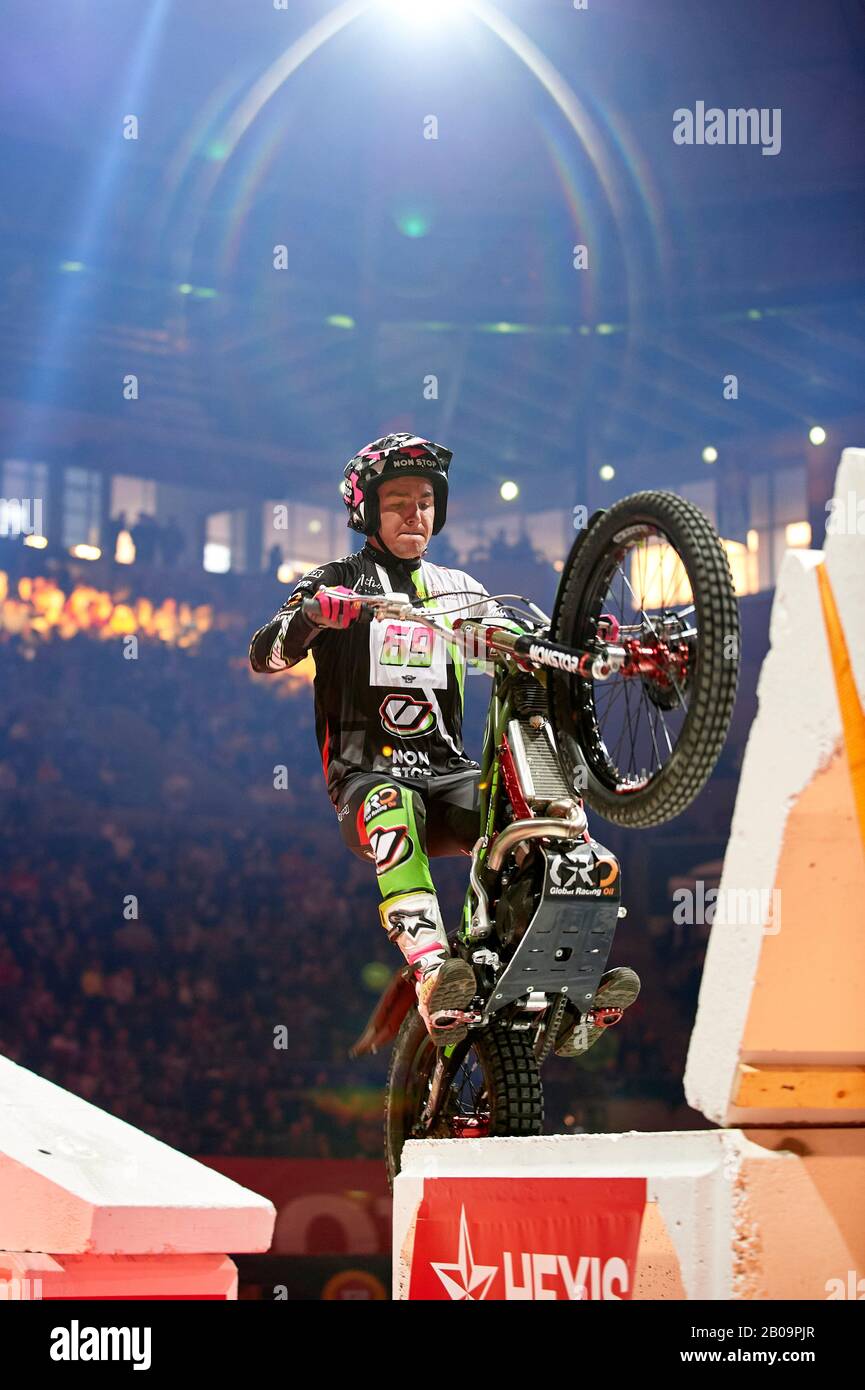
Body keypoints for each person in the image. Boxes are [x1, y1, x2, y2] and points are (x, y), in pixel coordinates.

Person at [250, 433, 639, 1050]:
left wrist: (574, 645)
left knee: (539, 819)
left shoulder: (457, 587)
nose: (416, 512)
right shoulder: (337, 579)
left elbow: (516, 639)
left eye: (427, 500)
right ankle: (435, 973)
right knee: (391, 804)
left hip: (446, 773)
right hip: (367, 778)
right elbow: (264, 654)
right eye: (399, 499)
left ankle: (568, 984)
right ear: (367, 510)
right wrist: (315, 616)